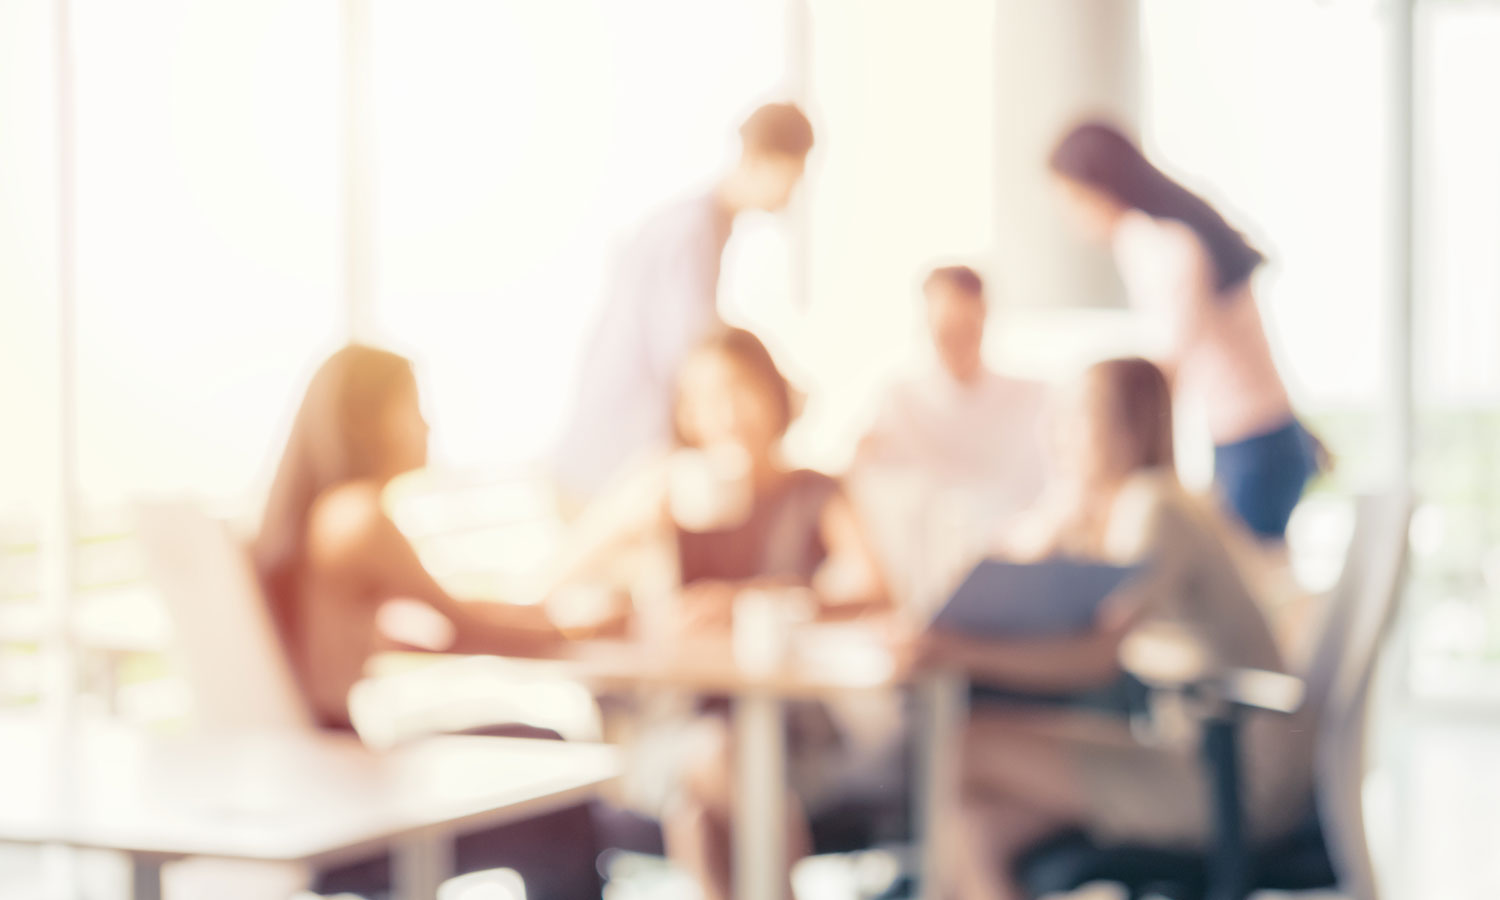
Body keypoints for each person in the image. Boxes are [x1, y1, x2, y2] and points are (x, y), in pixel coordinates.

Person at [909, 358, 1314, 900]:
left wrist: (956, 651)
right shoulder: (1138, 506)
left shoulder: (1153, 507)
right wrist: (1057, 512)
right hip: (1196, 750)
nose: (1056, 436)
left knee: (963, 749)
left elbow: (1095, 654)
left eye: (1077, 418)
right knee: (976, 825)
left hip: (1227, 775)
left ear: (1126, 429)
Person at [547, 328, 890, 900]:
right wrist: (629, 517)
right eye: (702, 398)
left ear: (773, 394)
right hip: (668, 725)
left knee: (700, 807)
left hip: (792, 734)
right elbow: (559, 584)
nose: (723, 413)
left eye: (738, 390)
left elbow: (874, 589)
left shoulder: (812, 491)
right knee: (711, 761)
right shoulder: (660, 491)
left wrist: (755, 599)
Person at [250, 344, 599, 900]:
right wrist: (578, 628)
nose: (428, 424)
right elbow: (464, 625)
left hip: (325, 784)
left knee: (538, 749)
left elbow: (415, 620)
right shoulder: (361, 516)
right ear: (367, 423)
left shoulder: (324, 516)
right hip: (355, 812)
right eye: (412, 407)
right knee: (557, 765)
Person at [1049, 121, 1322, 542]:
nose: (1069, 219)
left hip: (1253, 444)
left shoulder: (1159, 243)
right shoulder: (1166, 232)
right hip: (1263, 436)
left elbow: (1165, 371)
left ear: (1097, 186)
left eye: (1070, 199)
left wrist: (1126, 464)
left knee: (1243, 587)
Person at [552, 102, 815, 506]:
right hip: (615, 461)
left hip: (615, 454)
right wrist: (775, 392)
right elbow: (694, 362)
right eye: (793, 179)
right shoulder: (692, 232)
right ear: (762, 159)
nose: (792, 196)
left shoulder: (706, 226)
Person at [853, 265, 1051, 594]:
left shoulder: (1031, 397)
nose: (957, 345)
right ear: (926, 325)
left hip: (1013, 563)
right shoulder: (899, 401)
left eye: (967, 329)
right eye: (945, 332)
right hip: (928, 572)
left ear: (984, 317)